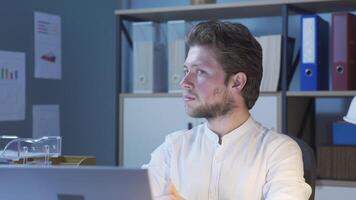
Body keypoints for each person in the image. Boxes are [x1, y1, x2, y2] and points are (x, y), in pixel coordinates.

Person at [144, 20, 312, 200]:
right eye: (186, 70)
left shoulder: (279, 151)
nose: (184, 82)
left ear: (237, 82)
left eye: (200, 72)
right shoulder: (173, 148)